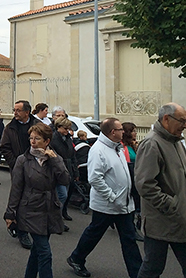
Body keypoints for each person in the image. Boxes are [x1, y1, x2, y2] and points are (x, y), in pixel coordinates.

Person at [67, 118, 142, 278]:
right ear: (112, 132)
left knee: (128, 239)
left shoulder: (117, 147)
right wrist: (112, 197)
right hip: (108, 204)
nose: (124, 131)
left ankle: (138, 273)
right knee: (94, 233)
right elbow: (94, 178)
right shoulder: (98, 150)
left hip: (123, 203)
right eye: (121, 129)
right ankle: (76, 258)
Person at [135, 103, 186, 278]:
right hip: (162, 222)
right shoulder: (152, 144)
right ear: (166, 119)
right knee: (153, 269)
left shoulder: (175, 141)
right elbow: (145, 185)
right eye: (182, 121)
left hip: (179, 220)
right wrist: (171, 205)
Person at [4, 123, 70, 278]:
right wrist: (10, 213)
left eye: (37, 138)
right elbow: (16, 189)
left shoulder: (54, 158)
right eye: (31, 138)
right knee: (45, 252)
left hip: (49, 209)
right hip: (30, 209)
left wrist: (55, 161)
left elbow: (65, 180)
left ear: (47, 141)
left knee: (37, 251)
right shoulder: (23, 160)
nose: (33, 141)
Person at [0, 100, 39, 249]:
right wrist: (16, 163)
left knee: (35, 197)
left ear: (27, 112)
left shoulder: (37, 125)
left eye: (18, 110)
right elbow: (4, 147)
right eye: (14, 110)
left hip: (37, 167)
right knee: (20, 198)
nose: (15, 112)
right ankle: (22, 231)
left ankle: (35, 225)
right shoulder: (10, 128)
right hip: (19, 168)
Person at [51, 117, 78, 225]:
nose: (67, 131)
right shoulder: (53, 139)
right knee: (62, 195)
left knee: (66, 194)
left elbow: (73, 156)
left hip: (68, 169)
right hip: (59, 170)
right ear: (59, 127)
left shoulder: (68, 139)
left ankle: (60, 214)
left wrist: (75, 172)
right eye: (65, 128)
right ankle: (56, 218)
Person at [121, 122, 143, 241]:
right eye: (133, 131)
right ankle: (132, 230)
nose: (135, 133)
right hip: (129, 178)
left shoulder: (132, 145)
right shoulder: (122, 146)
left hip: (135, 176)